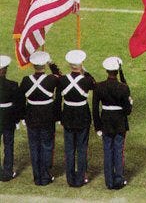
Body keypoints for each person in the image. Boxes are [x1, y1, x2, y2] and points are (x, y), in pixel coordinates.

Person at [20, 51, 60, 186]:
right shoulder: (51, 79)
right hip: (47, 116)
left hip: (31, 116)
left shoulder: (26, 80)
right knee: (47, 145)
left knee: (34, 146)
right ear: (44, 64)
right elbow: (60, 77)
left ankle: (37, 176)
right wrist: (52, 63)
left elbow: (21, 101)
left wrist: (23, 116)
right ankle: (45, 175)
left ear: (33, 65)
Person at [92, 56, 133, 190]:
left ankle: (109, 181)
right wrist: (130, 102)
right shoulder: (123, 88)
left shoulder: (99, 86)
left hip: (105, 122)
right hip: (120, 122)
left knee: (107, 151)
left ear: (106, 70)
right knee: (118, 151)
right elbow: (127, 111)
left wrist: (97, 127)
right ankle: (119, 180)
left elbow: (95, 109)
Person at [58, 49, 95, 187]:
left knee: (69, 149)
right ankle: (80, 178)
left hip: (67, 115)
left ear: (69, 64)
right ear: (81, 64)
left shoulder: (62, 80)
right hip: (82, 116)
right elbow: (94, 83)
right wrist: (84, 71)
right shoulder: (86, 81)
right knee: (81, 148)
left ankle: (70, 178)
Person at [0, 55, 23, 181]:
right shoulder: (13, 85)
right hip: (8, 117)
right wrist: (17, 119)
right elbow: (18, 104)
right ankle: (7, 172)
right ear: (3, 70)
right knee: (8, 145)